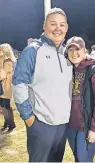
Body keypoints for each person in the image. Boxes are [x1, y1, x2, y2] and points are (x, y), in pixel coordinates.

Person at [12, 8, 72, 162]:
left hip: (63, 124)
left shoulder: (68, 53)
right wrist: (29, 118)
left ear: (67, 28)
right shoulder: (32, 51)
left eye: (62, 24)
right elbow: (19, 84)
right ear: (44, 26)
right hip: (41, 123)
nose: (58, 28)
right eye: (53, 24)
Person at [65, 36, 95, 162]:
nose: (74, 53)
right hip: (71, 126)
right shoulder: (68, 70)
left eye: (77, 49)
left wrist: (94, 129)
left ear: (84, 50)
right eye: (70, 50)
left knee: (84, 160)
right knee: (78, 158)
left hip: (87, 126)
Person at [0, 43, 16, 132]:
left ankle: (11, 124)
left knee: (6, 106)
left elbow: (3, 75)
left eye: (0, 49)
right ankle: (6, 122)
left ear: (4, 51)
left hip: (5, 87)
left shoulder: (8, 61)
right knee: (2, 106)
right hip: (0, 87)